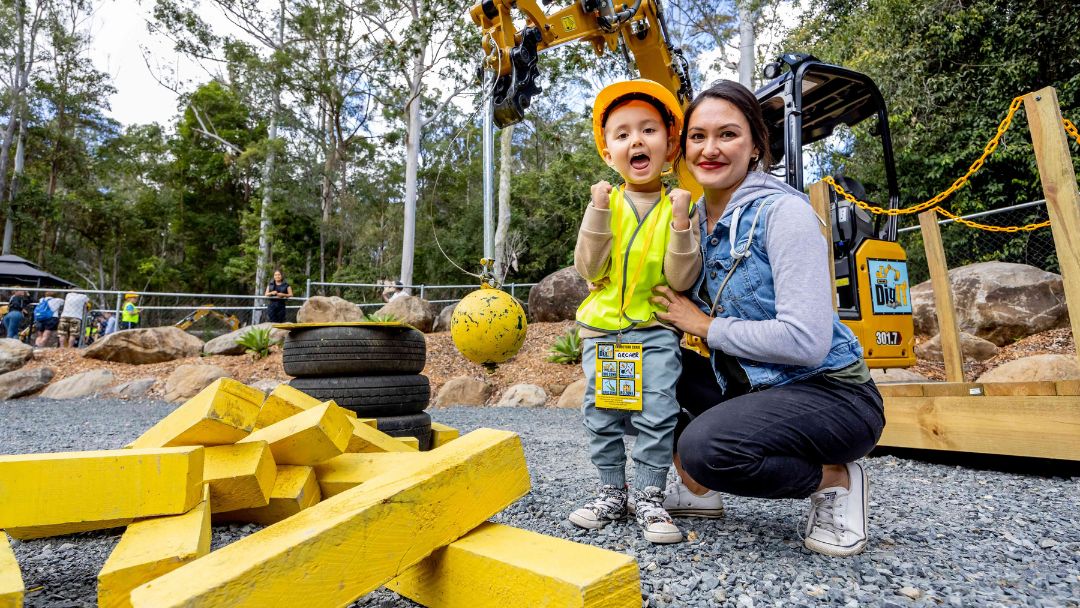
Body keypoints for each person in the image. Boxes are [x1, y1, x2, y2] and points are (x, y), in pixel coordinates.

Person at [650, 80, 885, 557]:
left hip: (832, 393)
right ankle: (698, 490)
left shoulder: (783, 213)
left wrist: (705, 326)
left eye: (728, 135)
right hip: (757, 383)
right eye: (697, 136)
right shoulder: (691, 220)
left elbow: (806, 341)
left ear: (756, 145)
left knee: (706, 447)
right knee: (642, 366)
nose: (709, 149)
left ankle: (836, 479)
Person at [567, 79, 700, 545]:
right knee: (601, 412)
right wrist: (597, 210)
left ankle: (647, 495)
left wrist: (682, 224)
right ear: (608, 153)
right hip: (604, 331)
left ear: (670, 148)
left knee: (657, 411)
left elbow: (682, 280)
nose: (636, 141)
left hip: (654, 331)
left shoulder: (678, 208)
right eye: (622, 134)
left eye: (648, 130)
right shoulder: (604, 203)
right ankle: (611, 491)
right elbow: (589, 266)